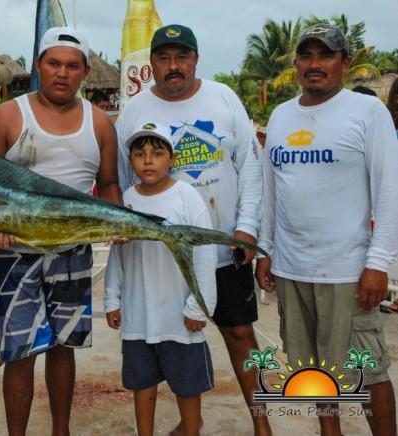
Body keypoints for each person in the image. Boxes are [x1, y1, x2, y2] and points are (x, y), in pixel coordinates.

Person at [115, 24, 269, 435]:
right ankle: (189, 425)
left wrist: (248, 229)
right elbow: (121, 179)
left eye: (182, 57)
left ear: (196, 59)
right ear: (152, 65)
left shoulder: (223, 97)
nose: (173, 66)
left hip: (221, 247)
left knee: (240, 333)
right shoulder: (134, 111)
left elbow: (250, 168)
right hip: (160, 262)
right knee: (164, 343)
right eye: (163, 58)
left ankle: (262, 423)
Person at [255, 23, 398, 436]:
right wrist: (266, 251)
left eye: (326, 55)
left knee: (367, 372)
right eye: (306, 55)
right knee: (313, 370)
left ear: (345, 63)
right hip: (292, 268)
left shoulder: (367, 112)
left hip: (348, 271)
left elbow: (388, 192)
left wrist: (378, 263)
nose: (314, 65)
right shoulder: (281, 115)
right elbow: (271, 192)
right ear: (296, 62)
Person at [0, 26, 122, 435]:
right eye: (54, 63)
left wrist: (118, 218)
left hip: (72, 251)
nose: (62, 73)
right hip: (15, 253)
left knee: (65, 347)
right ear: (38, 65)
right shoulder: (7, 116)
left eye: (72, 66)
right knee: (20, 353)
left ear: (86, 71)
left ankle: (62, 430)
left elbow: (109, 184)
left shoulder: (99, 123)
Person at [104, 122, 216, 436]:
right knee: (142, 382)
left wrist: (197, 306)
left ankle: (191, 431)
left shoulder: (187, 197)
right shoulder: (127, 199)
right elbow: (118, 254)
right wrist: (112, 299)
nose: (148, 161)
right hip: (138, 313)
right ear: (130, 161)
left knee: (187, 385)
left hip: (179, 316)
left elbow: (204, 255)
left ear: (173, 158)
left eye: (157, 153)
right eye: (140, 154)